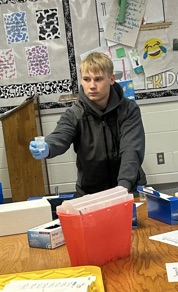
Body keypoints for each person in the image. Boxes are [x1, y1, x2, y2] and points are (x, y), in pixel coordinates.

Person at [28, 51, 146, 195]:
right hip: (91, 193)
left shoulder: (129, 109)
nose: (92, 86)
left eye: (98, 79)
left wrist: (123, 186)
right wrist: (48, 147)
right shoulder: (75, 113)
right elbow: (61, 135)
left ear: (111, 79)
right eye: (86, 79)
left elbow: (131, 150)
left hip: (128, 188)